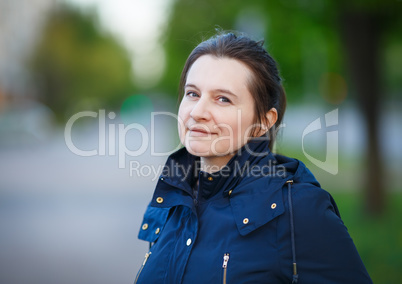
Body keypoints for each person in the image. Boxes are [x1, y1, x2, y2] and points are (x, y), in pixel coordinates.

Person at [135, 32, 372, 284]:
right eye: (193, 93)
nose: (198, 111)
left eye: (222, 99)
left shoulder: (299, 209)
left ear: (263, 122)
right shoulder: (173, 197)